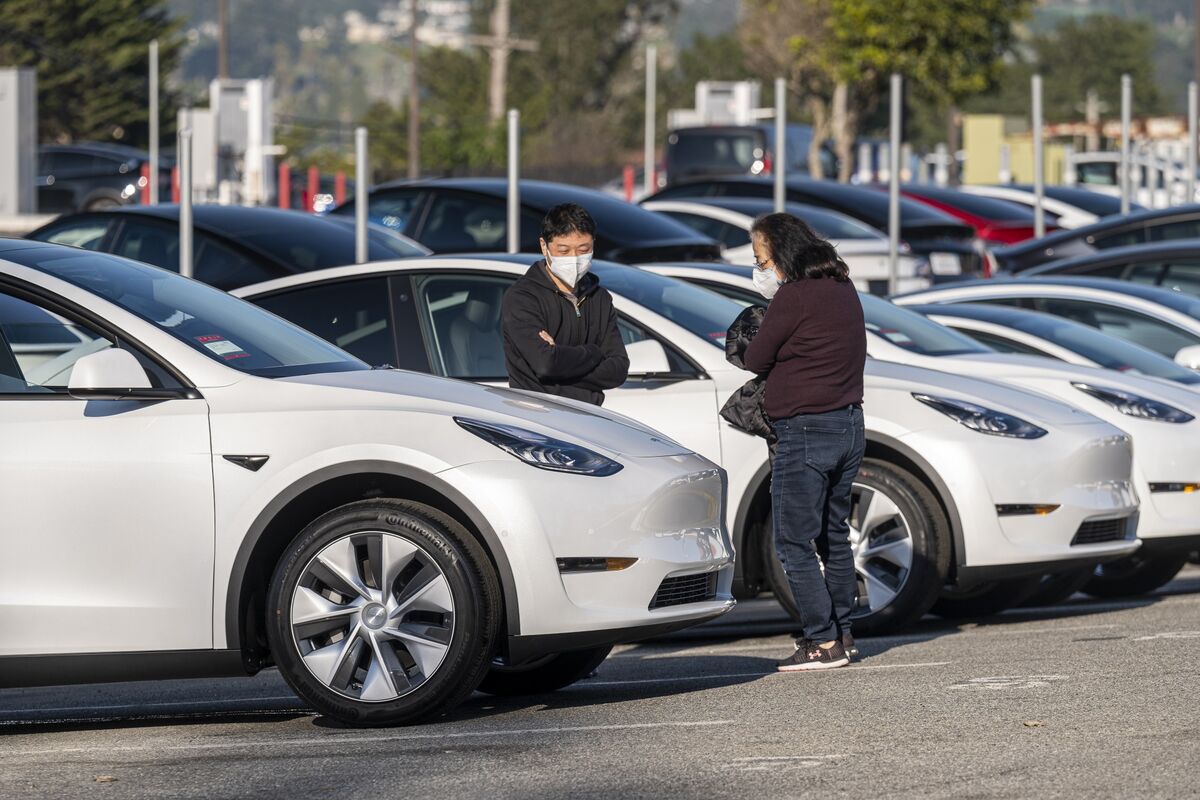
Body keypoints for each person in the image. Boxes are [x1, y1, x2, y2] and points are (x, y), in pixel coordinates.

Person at [742, 212, 867, 671]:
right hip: (849, 424)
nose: (760, 269)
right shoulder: (842, 287)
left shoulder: (793, 296)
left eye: (761, 260)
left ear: (781, 254)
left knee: (793, 540)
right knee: (834, 535)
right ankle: (843, 634)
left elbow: (755, 357)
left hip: (806, 430)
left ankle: (822, 641)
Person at [501, 203, 629, 406]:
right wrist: (594, 353)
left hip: (589, 414)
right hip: (538, 414)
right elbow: (545, 364)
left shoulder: (600, 298)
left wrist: (559, 360)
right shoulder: (523, 298)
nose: (574, 258)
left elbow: (618, 369)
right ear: (544, 246)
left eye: (583, 249)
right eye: (563, 250)